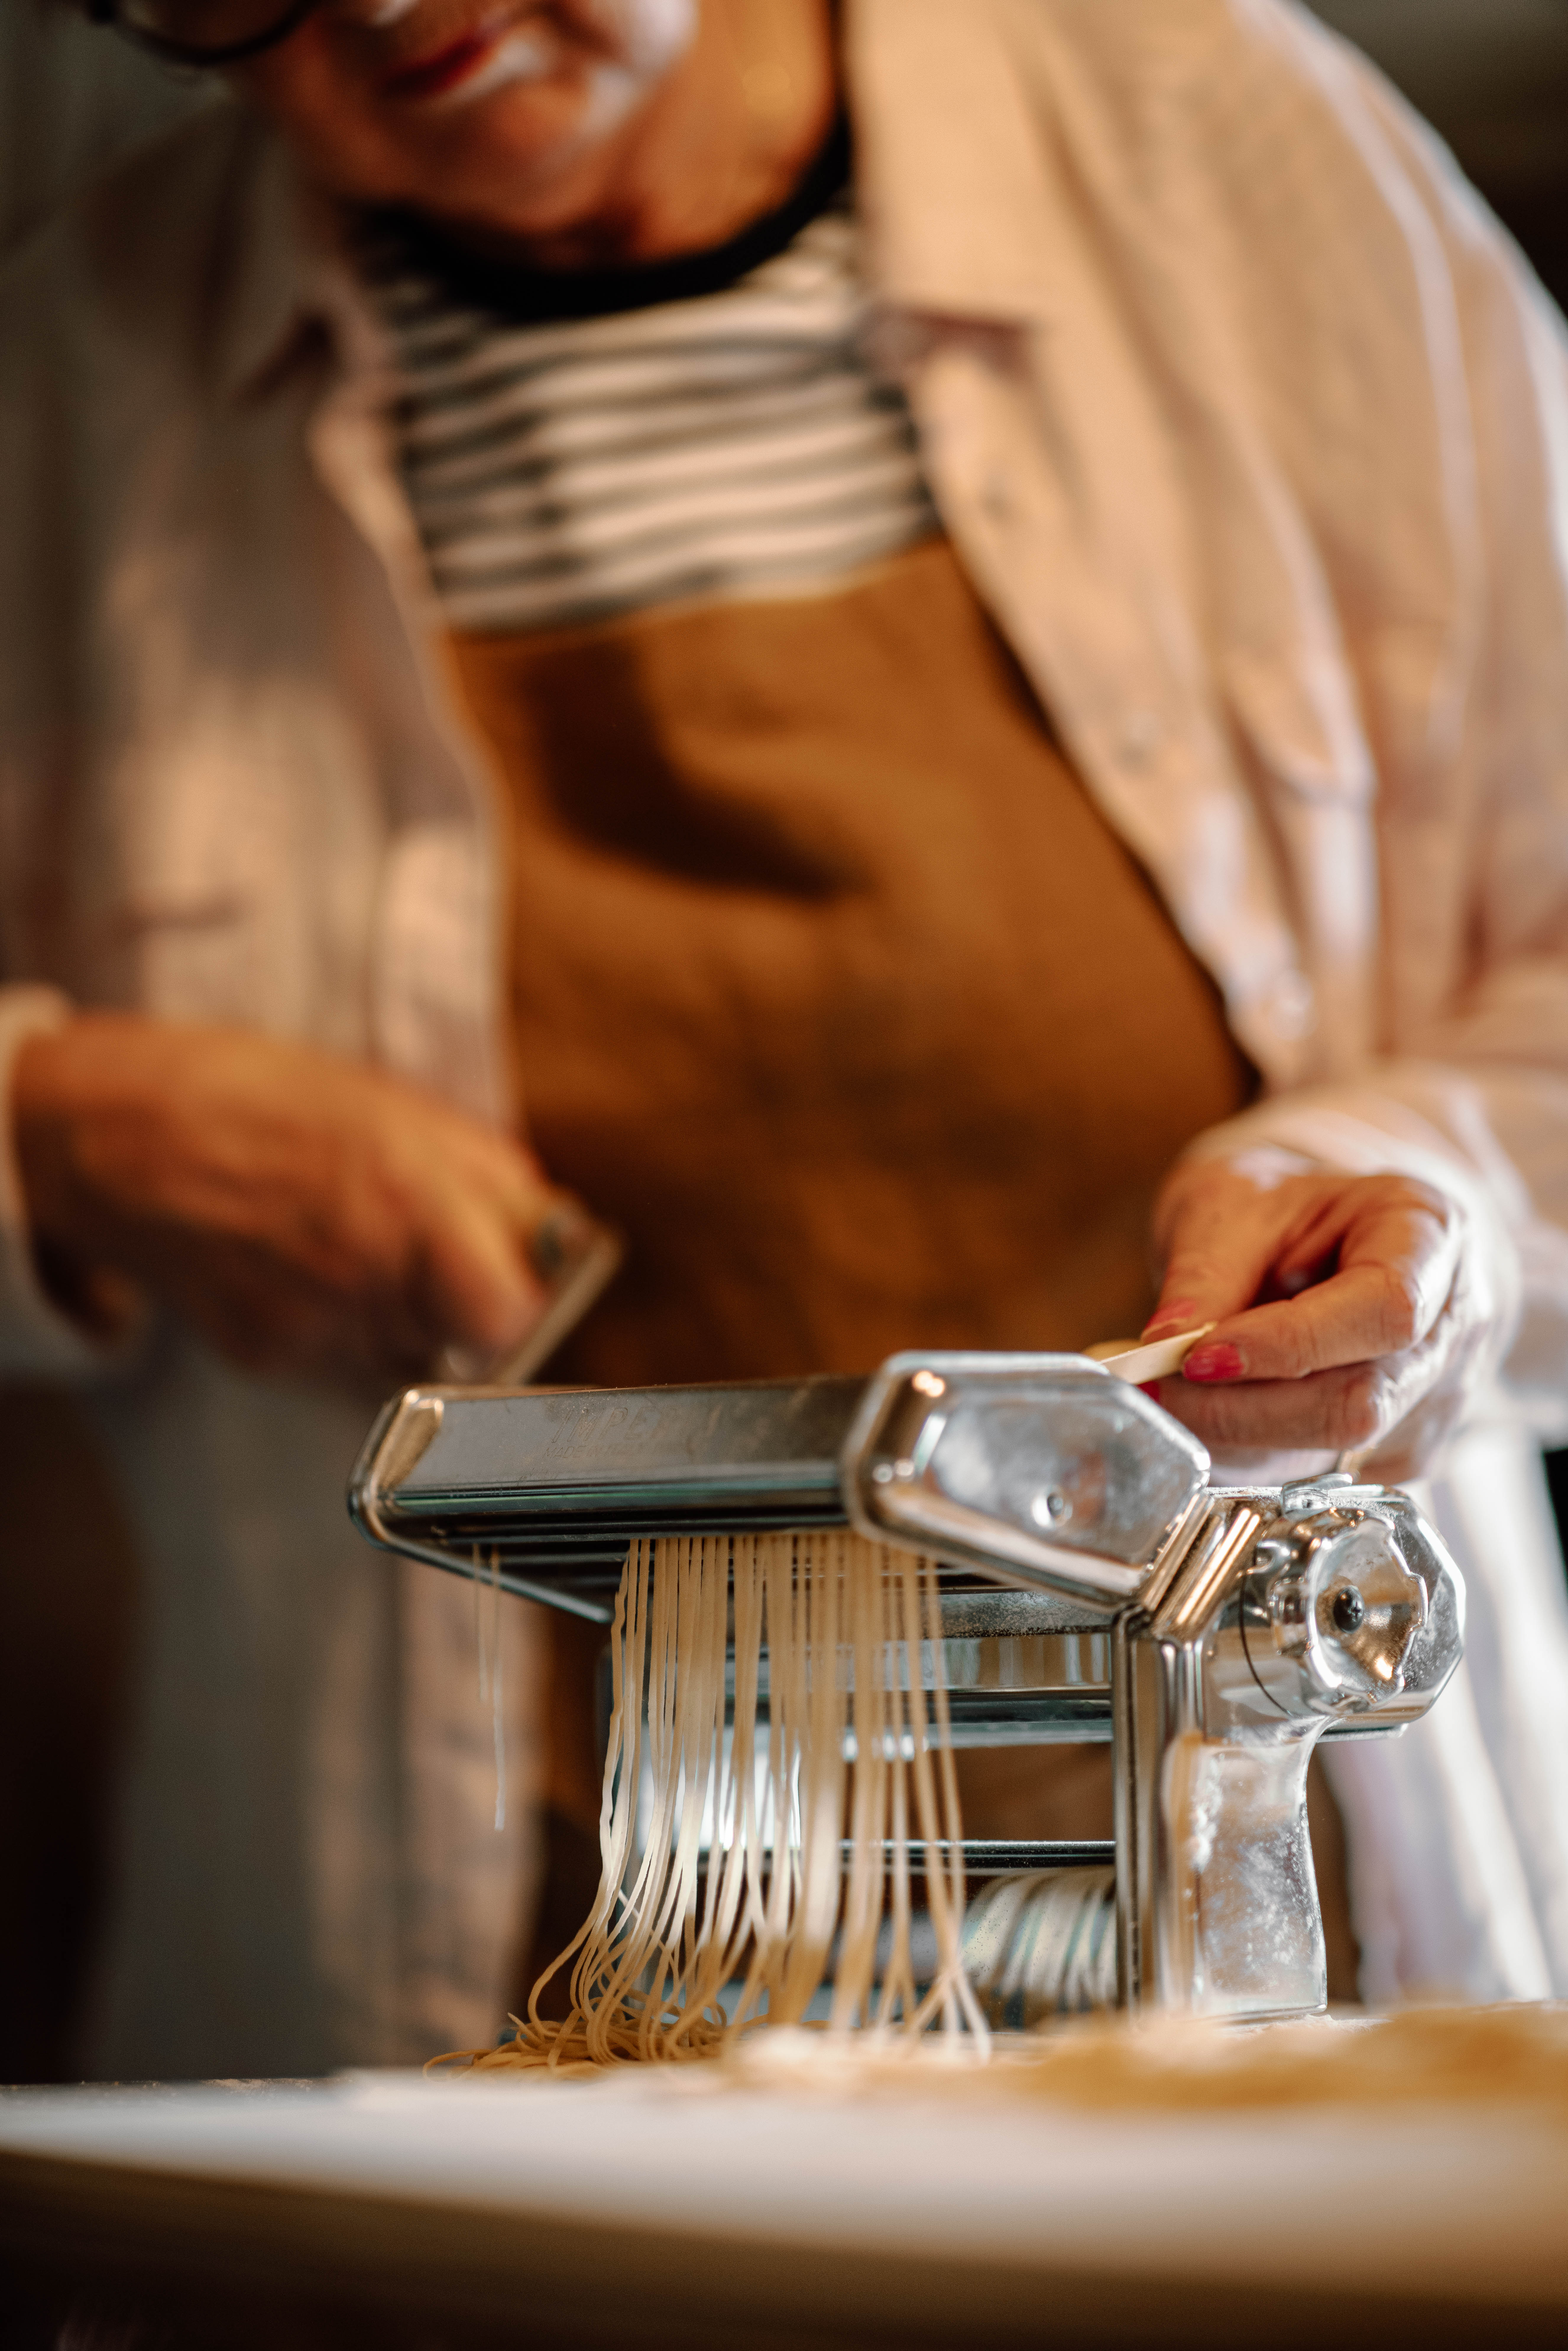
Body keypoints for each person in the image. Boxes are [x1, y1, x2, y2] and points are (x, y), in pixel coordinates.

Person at [2, 0, 1566, 2074]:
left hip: (1262, 1905)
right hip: (497, 1937)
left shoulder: (1226, 159)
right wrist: (58, 1125)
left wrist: (1430, 1192)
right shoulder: (76, 377)